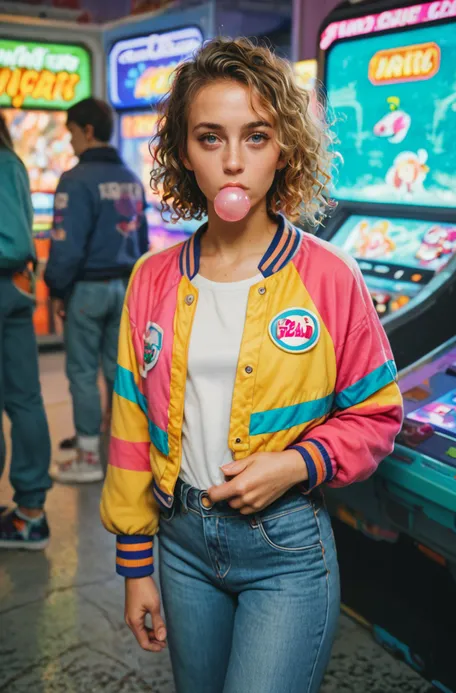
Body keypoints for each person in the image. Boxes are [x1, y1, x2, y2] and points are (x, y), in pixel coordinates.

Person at [100, 38, 403, 693]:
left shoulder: (328, 276)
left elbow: (377, 413)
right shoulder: (150, 280)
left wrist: (296, 462)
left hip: (287, 550)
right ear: (184, 151)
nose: (233, 162)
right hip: (179, 544)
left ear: (284, 146)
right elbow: (128, 425)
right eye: (210, 138)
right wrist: (135, 564)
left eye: (256, 136)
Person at [45, 98, 149, 484]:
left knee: (82, 373)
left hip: (87, 291)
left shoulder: (75, 180)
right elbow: (142, 240)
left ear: (87, 131)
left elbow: (66, 245)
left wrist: (57, 288)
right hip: (125, 288)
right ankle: (120, 449)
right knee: (118, 370)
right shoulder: (131, 179)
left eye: (71, 132)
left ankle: (88, 455)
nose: (70, 142)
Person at [0, 112, 52, 549]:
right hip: (16, 290)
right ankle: (31, 513)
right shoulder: (12, 162)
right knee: (25, 399)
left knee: (22, 400)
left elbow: (12, 241)